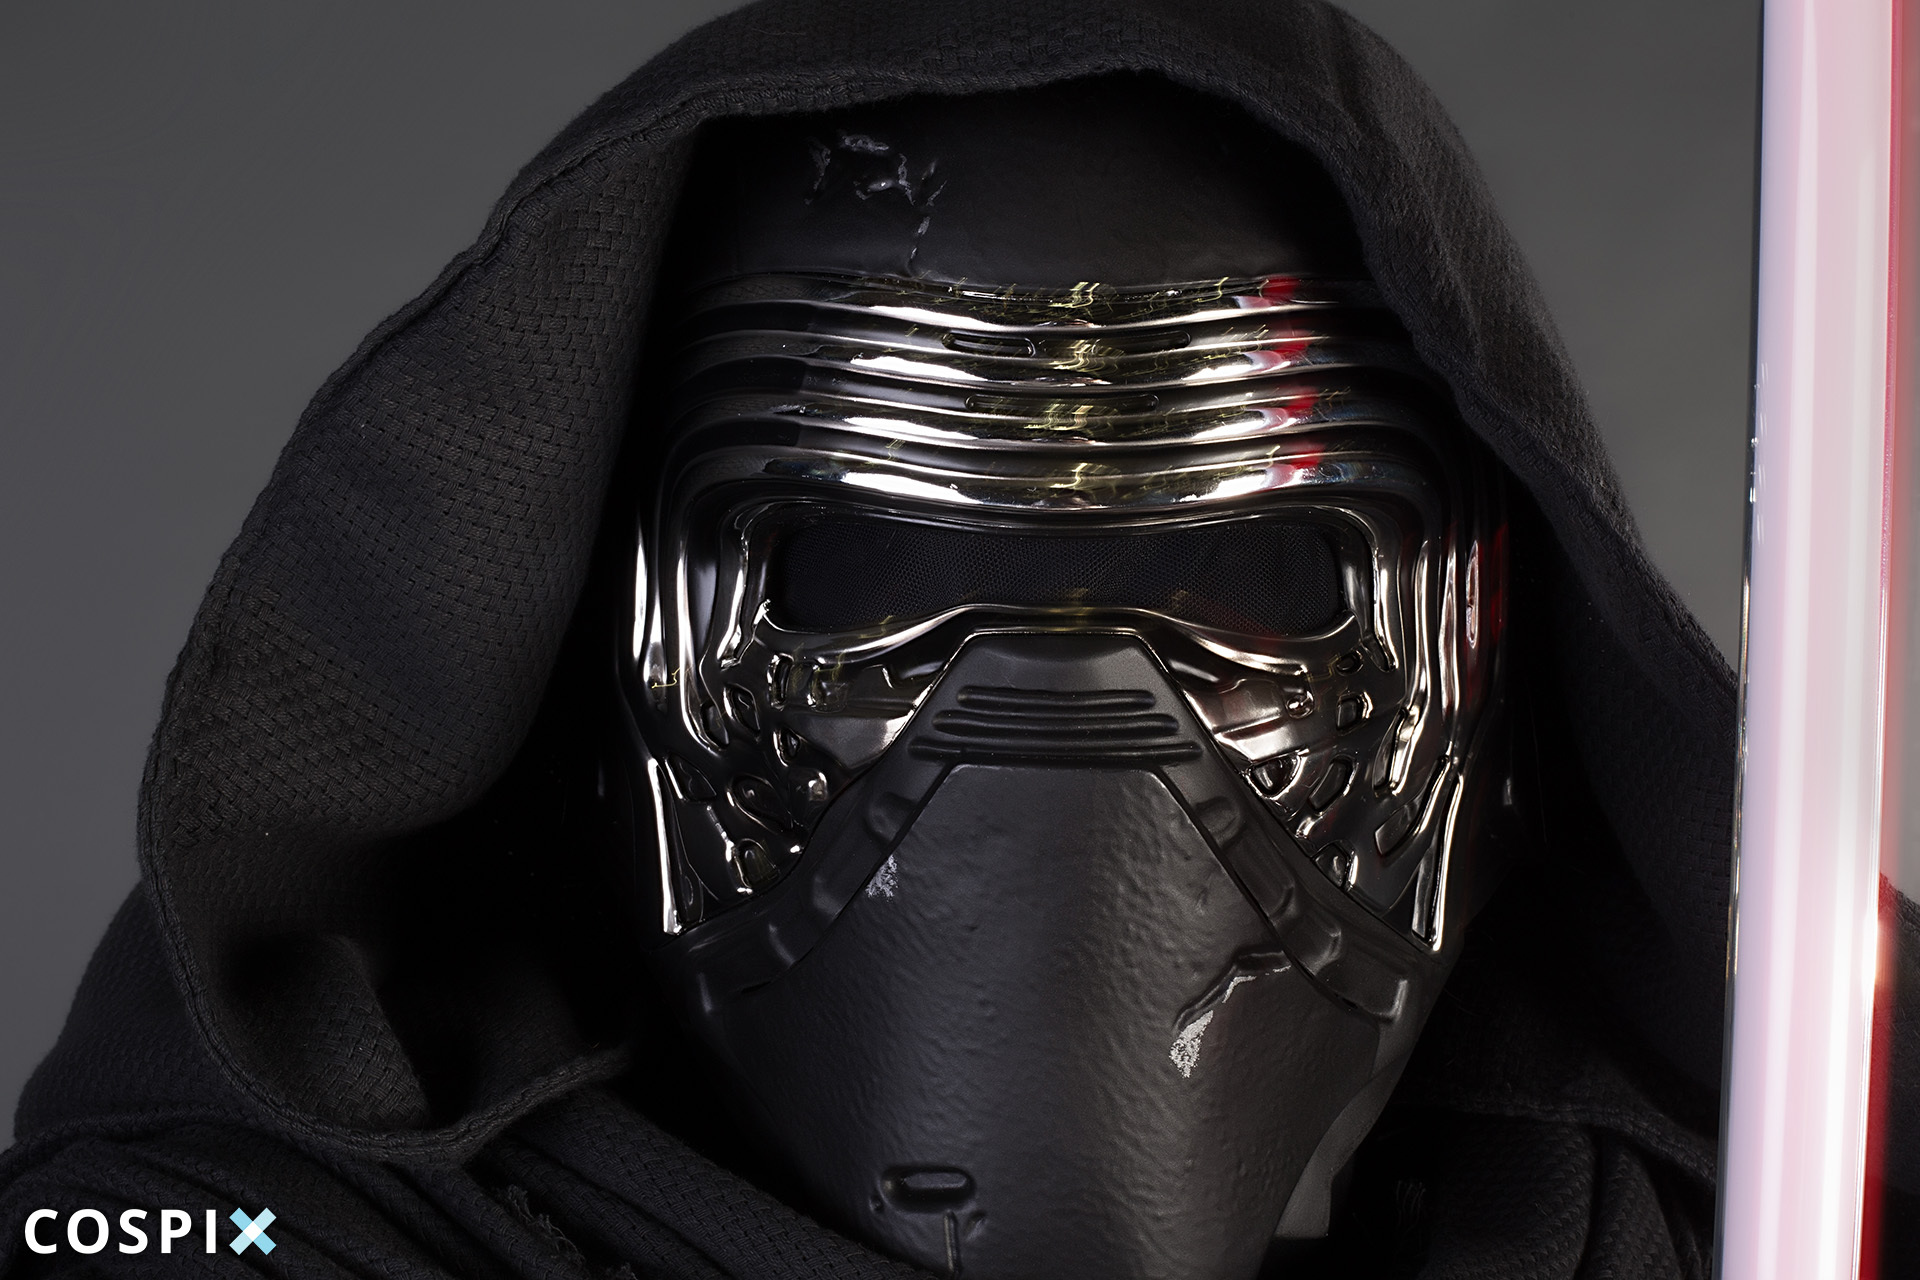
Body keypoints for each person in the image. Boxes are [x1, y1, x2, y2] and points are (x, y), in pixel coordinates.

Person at [0, 1, 1873, 1276]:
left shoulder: (1724, 1222)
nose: (1068, 708)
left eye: (1248, 577)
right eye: (867, 568)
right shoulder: (246, 1231)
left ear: (1492, 648)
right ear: (594, 643)